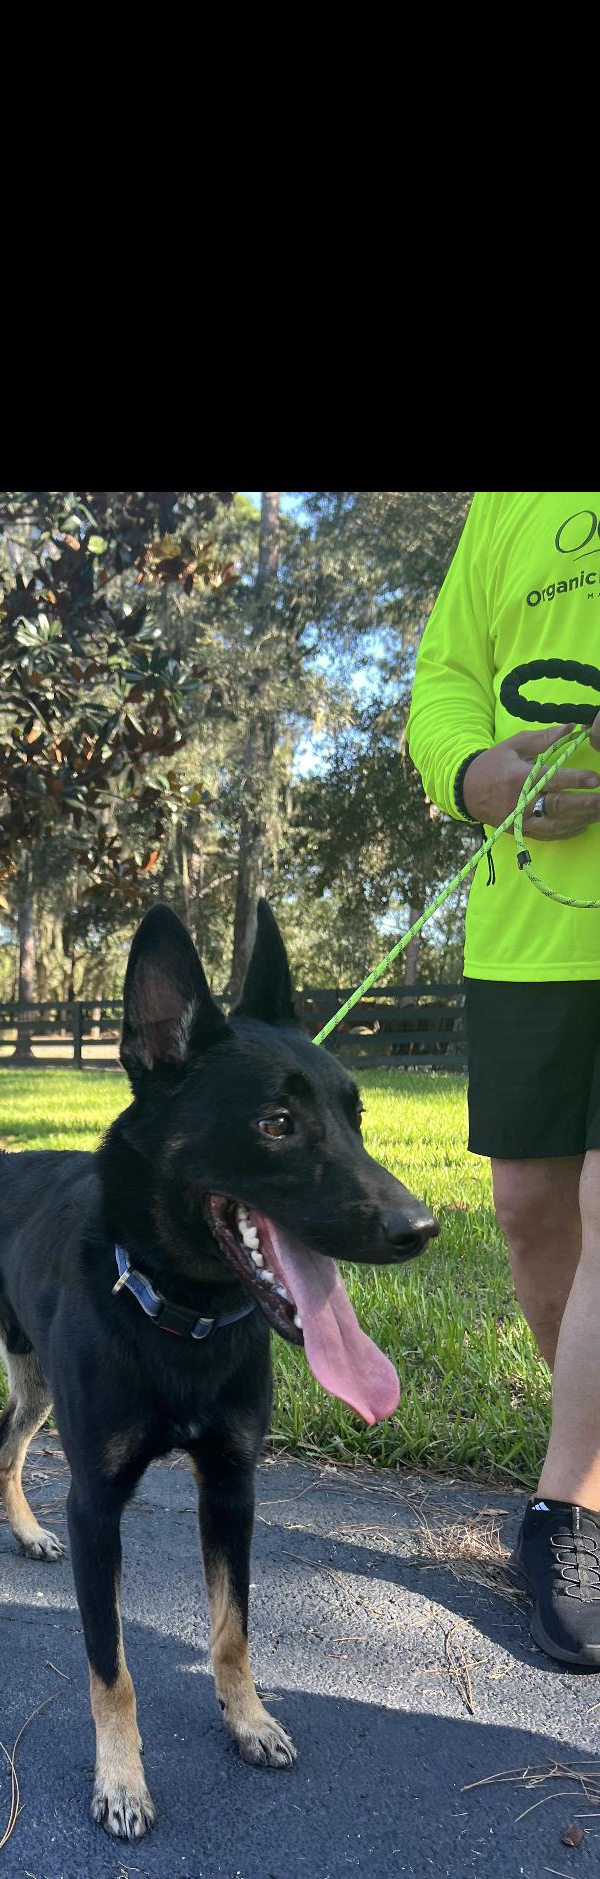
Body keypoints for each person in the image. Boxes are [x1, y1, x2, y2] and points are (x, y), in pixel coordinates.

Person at [408, 493, 600, 1667]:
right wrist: (470, 772)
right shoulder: (506, 507)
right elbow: (443, 682)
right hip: (526, 930)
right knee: (533, 1216)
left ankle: (566, 1509)